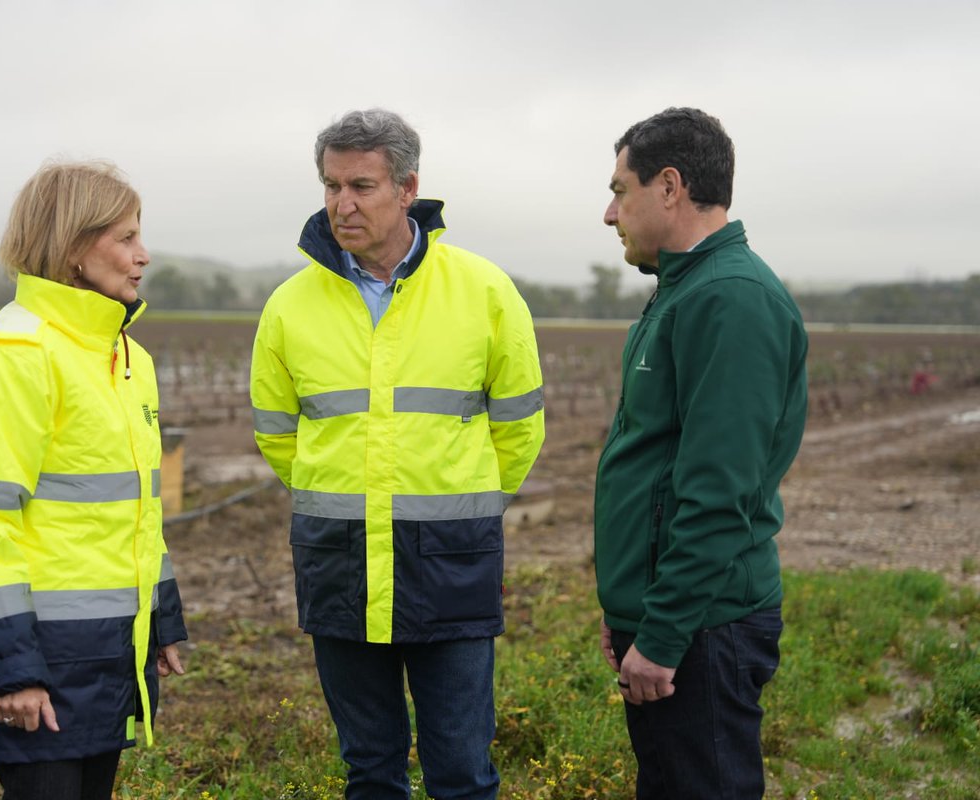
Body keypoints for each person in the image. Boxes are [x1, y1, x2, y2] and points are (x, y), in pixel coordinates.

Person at [250, 108, 545, 799]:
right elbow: (276, 433)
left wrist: (466, 502)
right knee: (370, 772)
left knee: (462, 773)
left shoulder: (485, 291)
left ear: (408, 188)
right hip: (340, 563)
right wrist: (340, 492)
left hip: (451, 563)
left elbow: (520, 428)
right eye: (331, 186)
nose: (341, 204)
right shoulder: (290, 306)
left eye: (362, 186)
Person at [0, 161, 188, 800]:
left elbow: (132, 512)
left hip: (107, 653)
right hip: (39, 663)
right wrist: (11, 669)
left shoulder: (127, 357)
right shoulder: (10, 354)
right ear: (74, 247)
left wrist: (158, 620)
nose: (143, 255)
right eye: (125, 238)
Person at [594, 107, 808, 799]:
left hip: (705, 626)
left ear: (669, 186)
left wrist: (662, 634)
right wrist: (629, 607)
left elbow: (719, 493)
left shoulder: (730, 300)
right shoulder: (682, 292)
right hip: (674, 615)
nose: (608, 213)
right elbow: (656, 464)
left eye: (620, 189)